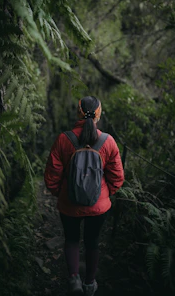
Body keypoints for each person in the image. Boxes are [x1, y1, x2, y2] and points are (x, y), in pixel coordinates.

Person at [44, 96, 124, 296]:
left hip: (69, 204)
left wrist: (61, 193)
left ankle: (73, 280)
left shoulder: (64, 139)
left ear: (78, 113)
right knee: (93, 241)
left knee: (71, 239)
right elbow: (117, 177)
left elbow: (52, 175)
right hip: (99, 206)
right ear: (99, 114)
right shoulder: (108, 142)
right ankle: (89, 284)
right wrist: (105, 194)